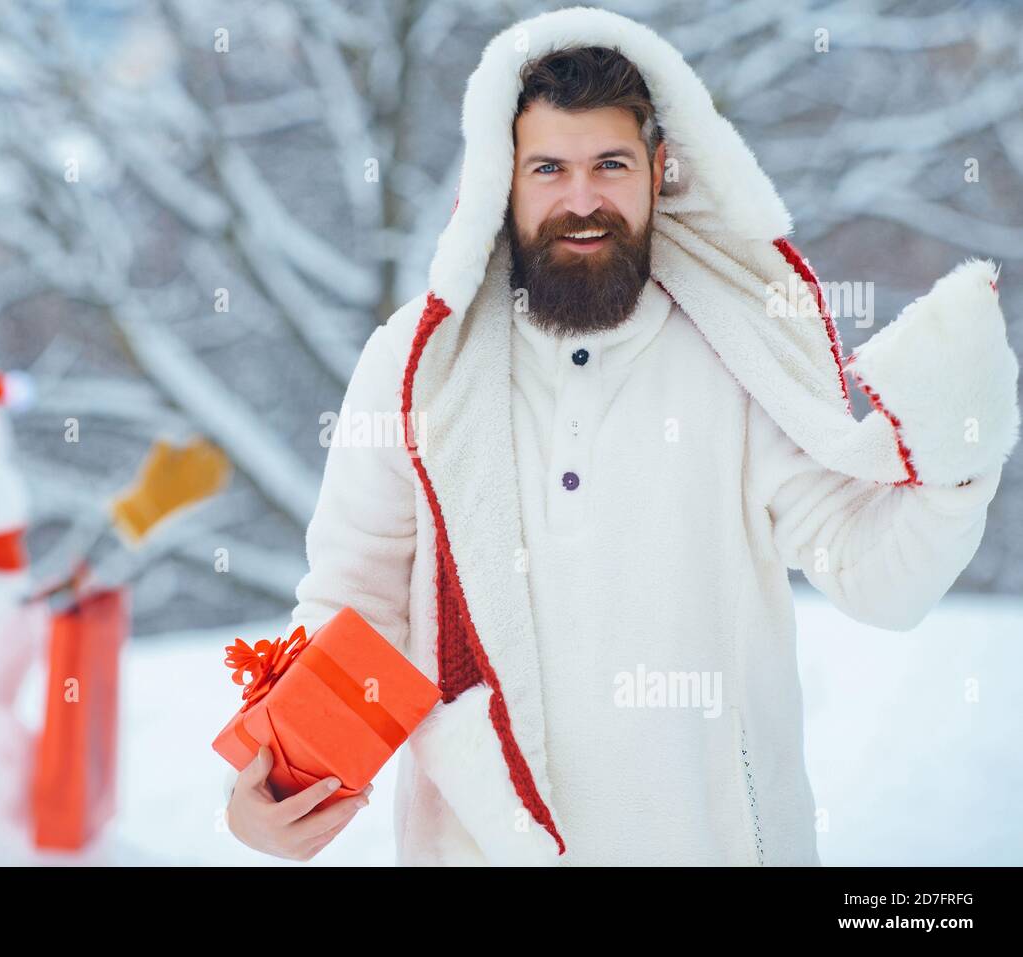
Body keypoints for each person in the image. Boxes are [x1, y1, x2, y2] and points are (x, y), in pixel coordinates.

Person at [227, 8, 1019, 865]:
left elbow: (877, 575)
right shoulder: (416, 365)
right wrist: (276, 791)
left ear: (658, 171)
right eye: (548, 168)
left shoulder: (737, 350)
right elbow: (356, 609)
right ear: (502, 179)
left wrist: (957, 461)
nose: (581, 199)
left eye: (609, 164)